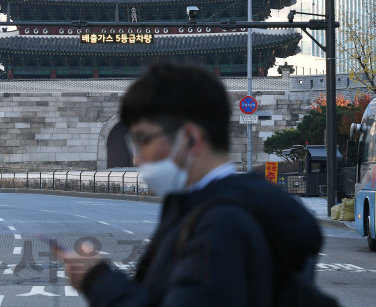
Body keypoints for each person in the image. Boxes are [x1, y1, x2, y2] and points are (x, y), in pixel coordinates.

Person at [58, 61, 325, 306]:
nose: (137, 159)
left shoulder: (223, 223)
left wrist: (99, 282)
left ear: (190, 139)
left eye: (144, 140)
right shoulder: (207, 207)